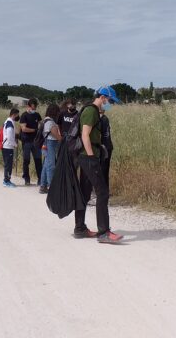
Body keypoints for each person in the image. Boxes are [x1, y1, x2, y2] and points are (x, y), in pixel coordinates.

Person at [74, 86, 124, 243]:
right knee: (102, 193)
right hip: (89, 157)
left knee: (85, 192)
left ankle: (80, 228)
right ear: (103, 97)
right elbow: (85, 135)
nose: (110, 104)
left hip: (86, 156)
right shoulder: (91, 111)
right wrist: (91, 157)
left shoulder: (94, 111)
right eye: (110, 101)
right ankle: (104, 232)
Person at [39, 104, 62, 194]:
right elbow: (55, 134)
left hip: (47, 144)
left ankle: (43, 186)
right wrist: (61, 138)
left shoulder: (46, 120)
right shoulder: (49, 121)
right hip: (50, 144)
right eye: (57, 111)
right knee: (51, 166)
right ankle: (52, 188)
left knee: (46, 165)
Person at [19, 98, 43, 186]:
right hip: (26, 142)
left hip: (36, 142)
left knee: (38, 161)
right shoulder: (24, 115)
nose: (34, 110)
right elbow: (24, 128)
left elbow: (42, 124)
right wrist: (35, 130)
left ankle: (40, 179)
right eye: (32, 108)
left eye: (35, 108)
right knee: (26, 160)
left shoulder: (37, 115)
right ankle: (26, 179)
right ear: (28, 106)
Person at [2, 108, 20, 188]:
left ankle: (7, 180)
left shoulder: (9, 121)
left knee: (8, 164)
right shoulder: (9, 123)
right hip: (8, 147)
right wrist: (15, 144)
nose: (18, 117)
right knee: (8, 165)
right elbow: (9, 136)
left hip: (7, 146)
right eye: (17, 115)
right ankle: (6, 181)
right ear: (14, 114)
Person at [99, 107, 114, 192]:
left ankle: (103, 191)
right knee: (104, 170)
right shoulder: (105, 118)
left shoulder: (102, 119)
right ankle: (104, 190)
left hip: (104, 147)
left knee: (103, 170)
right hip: (107, 146)